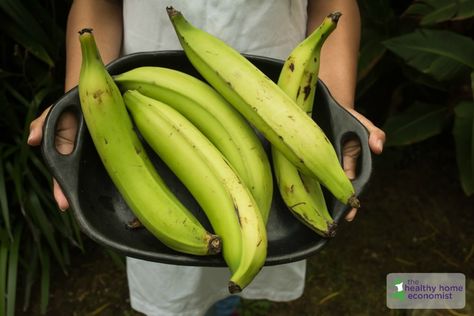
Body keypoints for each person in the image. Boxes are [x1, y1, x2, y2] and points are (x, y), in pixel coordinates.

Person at [28, 1, 386, 315]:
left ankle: (227, 302)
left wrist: (335, 112)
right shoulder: (142, 102)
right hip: (145, 101)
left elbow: (333, 4)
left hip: (277, 100)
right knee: (178, 273)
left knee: (253, 242)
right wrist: (85, 98)